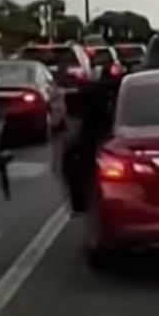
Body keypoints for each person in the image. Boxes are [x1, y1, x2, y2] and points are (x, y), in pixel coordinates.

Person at [61, 73, 120, 215]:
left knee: (72, 159)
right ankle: (81, 203)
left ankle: (80, 204)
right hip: (98, 134)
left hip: (99, 135)